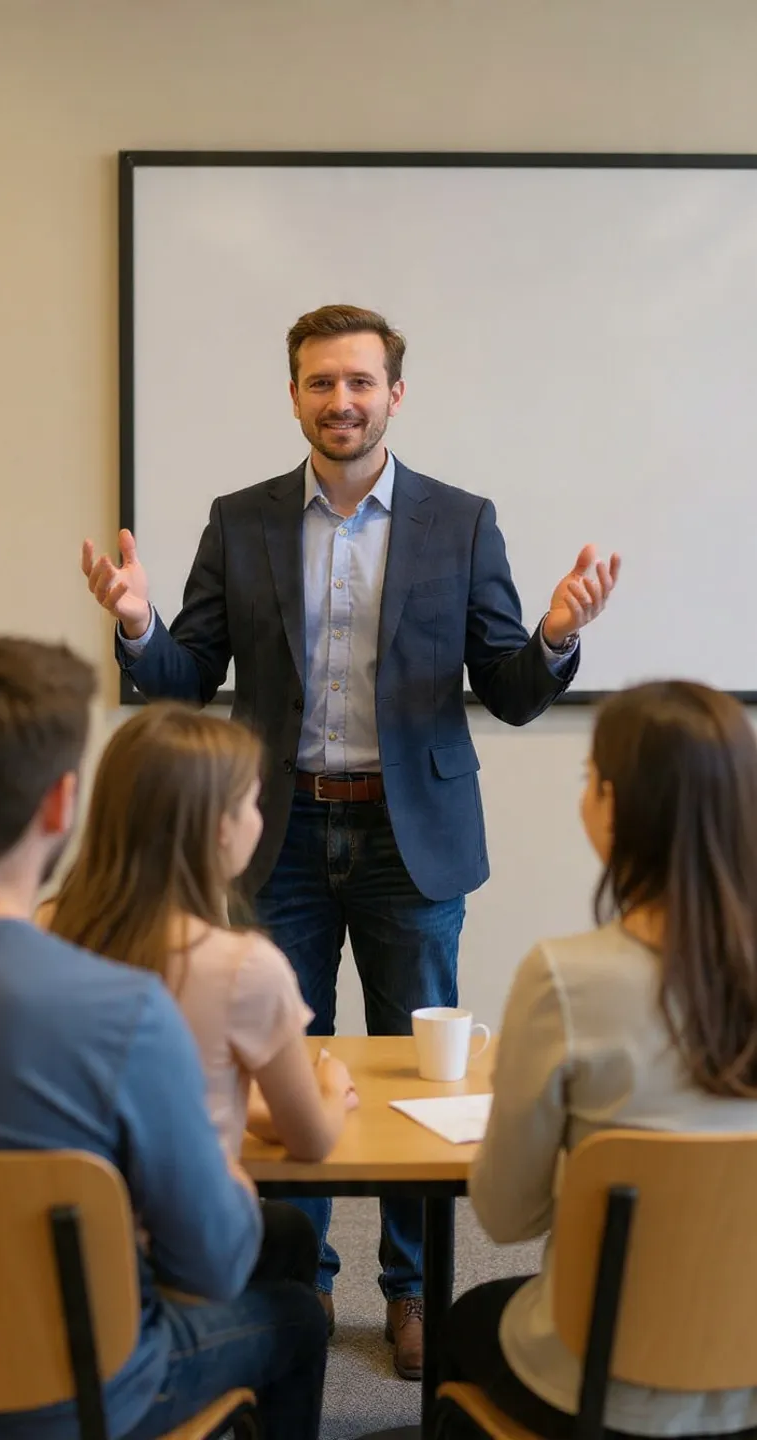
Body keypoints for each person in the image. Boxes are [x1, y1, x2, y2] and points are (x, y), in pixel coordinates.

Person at [82, 302, 620, 1377]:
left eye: (361, 383)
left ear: (395, 396)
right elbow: (187, 677)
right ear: (294, 395)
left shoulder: (460, 522)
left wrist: (556, 637)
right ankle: (302, 1282)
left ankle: (415, 1293)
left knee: (417, 1075)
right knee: (288, 1062)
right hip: (275, 831)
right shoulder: (240, 521)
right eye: (321, 383)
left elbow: (510, 691)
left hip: (404, 833)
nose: (342, 401)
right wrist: (139, 626)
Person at [0, 636, 327, 1440]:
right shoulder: (122, 1013)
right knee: (297, 1316)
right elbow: (213, 1264)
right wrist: (218, 1150)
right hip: (80, 1394)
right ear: (60, 804)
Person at [441, 680, 757, 1438]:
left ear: (616, 808)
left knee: (463, 1325)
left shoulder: (565, 979)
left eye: (591, 776)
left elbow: (505, 1214)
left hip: (599, 1383)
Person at [38, 701, 359, 1175]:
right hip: (176, 1239)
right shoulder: (244, 967)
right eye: (252, 802)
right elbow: (310, 1141)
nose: (260, 820)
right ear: (218, 829)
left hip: (54, 1227)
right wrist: (331, 1089)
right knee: (286, 1233)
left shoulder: (41, 930)